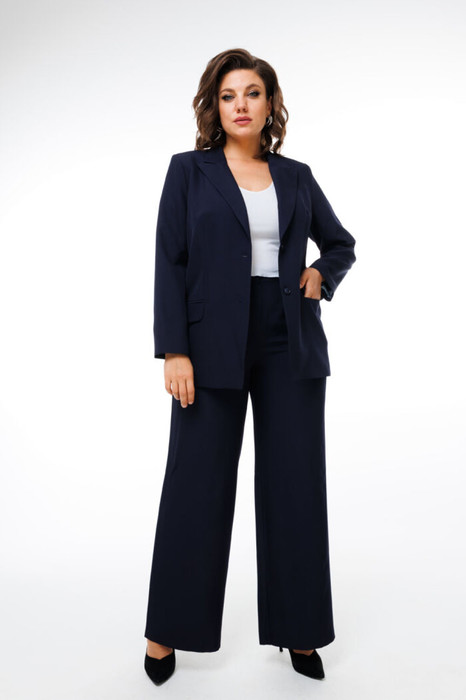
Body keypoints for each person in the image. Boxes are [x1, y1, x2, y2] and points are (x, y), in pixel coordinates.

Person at [143, 48, 356, 686]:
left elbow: (341, 244)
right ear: (216, 105)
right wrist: (174, 349)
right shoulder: (189, 171)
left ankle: (300, 629)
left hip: (289, 339)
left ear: (270, 104)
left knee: (295, 484)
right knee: (196, 485)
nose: (241, 105)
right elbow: (169, 261)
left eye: (253, 93)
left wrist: (321, 274)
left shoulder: (296, 176)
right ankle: (165, 631)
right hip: (209, 343)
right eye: (229, 94)